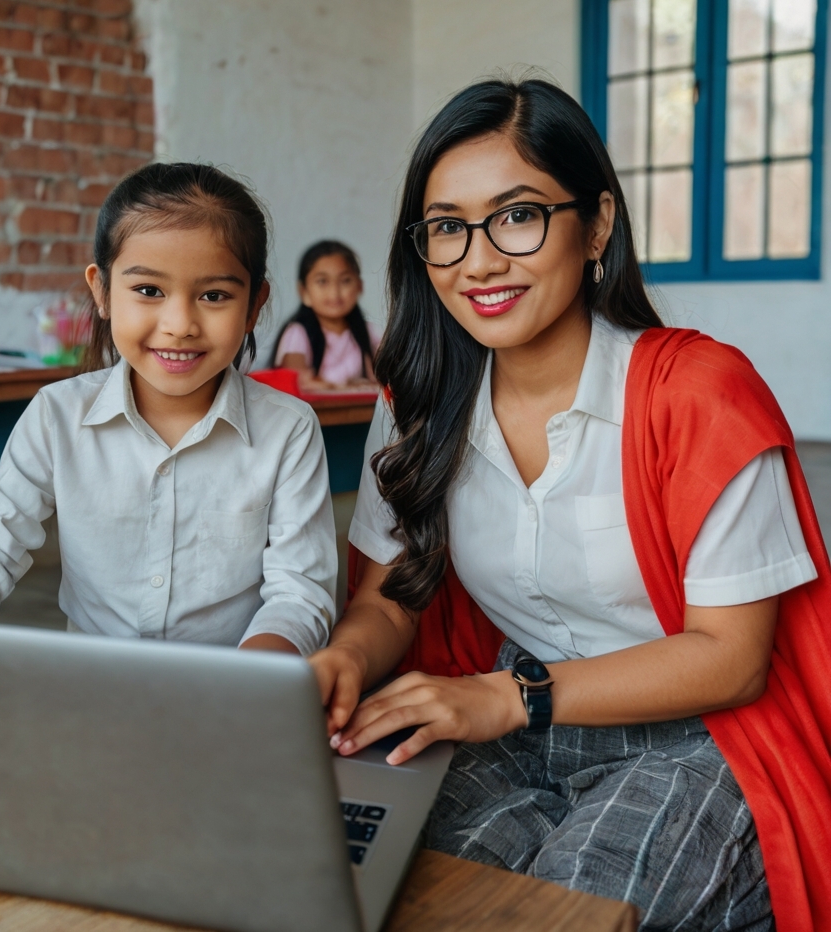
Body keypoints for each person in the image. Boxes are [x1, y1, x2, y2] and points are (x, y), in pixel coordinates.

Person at [309, 79, 831, 931]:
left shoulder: (695, 393)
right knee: (371, 881)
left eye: (516, 216)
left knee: (555, 914)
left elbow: (733, 657)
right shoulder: (417, 401)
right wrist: (344, 664)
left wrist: (512, 695)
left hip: (693, 737)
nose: (477, 261)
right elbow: (389, 598)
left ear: (595, 226)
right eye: (447, 228)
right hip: (509, 722)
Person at [0, 162, 337, 657]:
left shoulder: (288, 429)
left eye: (214, 295)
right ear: (102, 291)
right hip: (93, 694)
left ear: (254, 305)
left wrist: (242, 692)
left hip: (230, 700)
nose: (179, 324)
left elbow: (299, 594)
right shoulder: (57, 416)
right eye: (149, 290)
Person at [272, 240, 380, 392]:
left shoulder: (369, 332)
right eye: (322, 281)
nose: (334, 292)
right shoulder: (297, 334)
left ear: (360, 286)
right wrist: (347, 387)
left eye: (345, 281)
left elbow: (383, 381)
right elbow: (298, 385)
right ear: (304, 292)